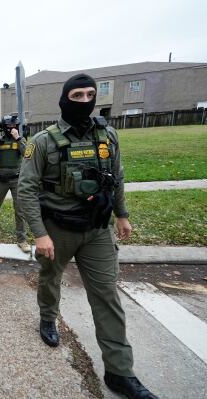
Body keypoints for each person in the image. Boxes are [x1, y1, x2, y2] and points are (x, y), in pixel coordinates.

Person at [18, 73, 158, 399]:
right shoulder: (42, 142)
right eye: (77, 95)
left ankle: (120, 372)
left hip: (97, 229)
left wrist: (122, 214)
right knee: (50, 280)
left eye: (89, 95)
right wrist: (39, 234)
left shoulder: (108, 135)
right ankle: (48, 318)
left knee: (107, 297)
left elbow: (117, 176)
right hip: (57, 230)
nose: (83, 101)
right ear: (65, 99)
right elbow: (26, 191)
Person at [0, 115, 31, 253]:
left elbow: (27, 155)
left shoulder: (20, 139)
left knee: (20, 209)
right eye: (10, 126)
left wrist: (18, 139)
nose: (12, 129)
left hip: (17, 179)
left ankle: (22, 239)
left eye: (14, 126)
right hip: (1, 179)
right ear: (4, 127)